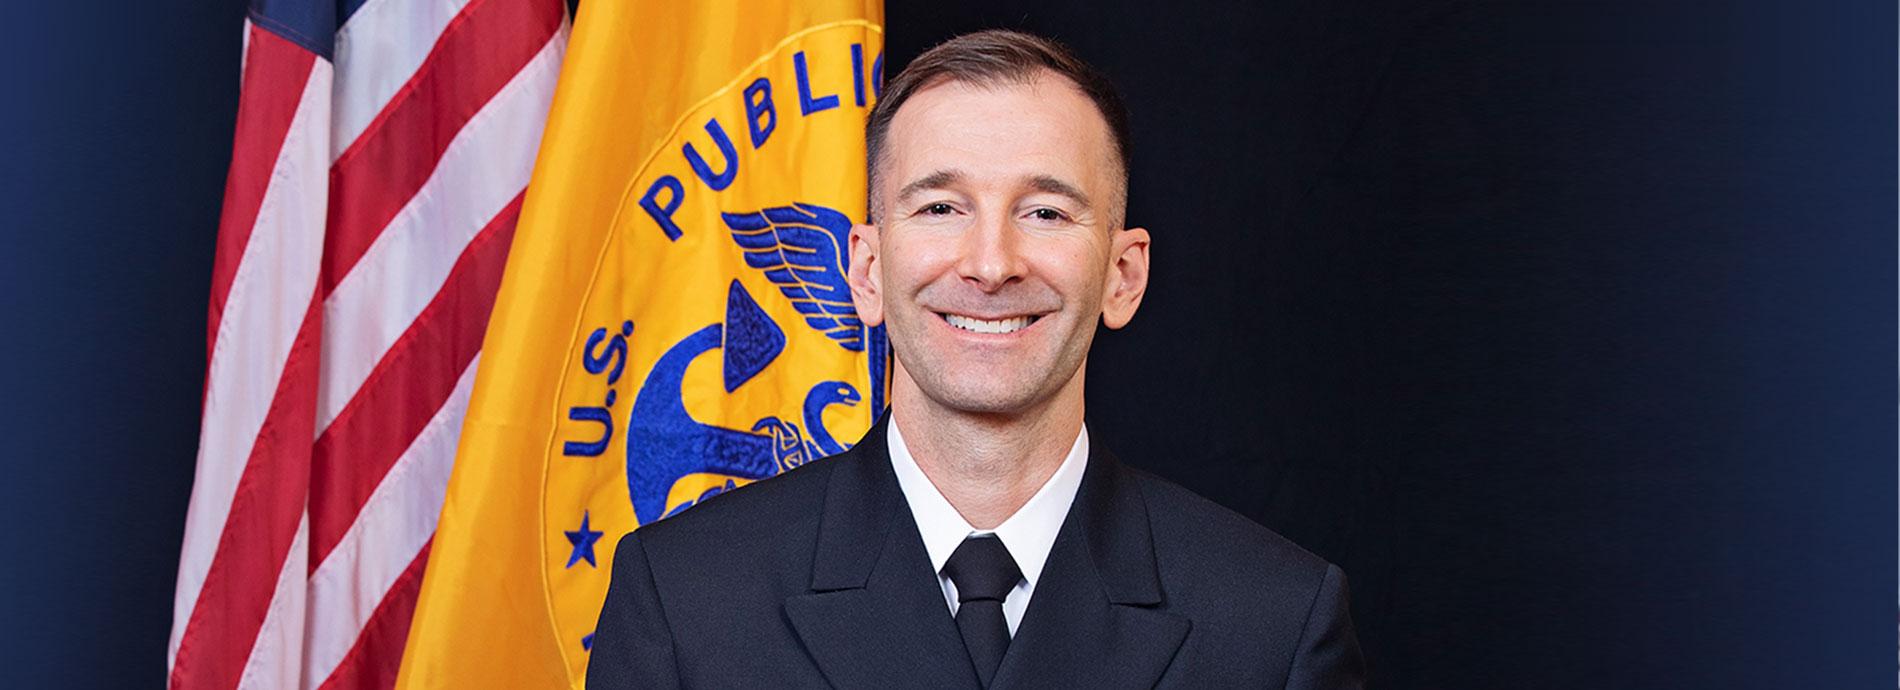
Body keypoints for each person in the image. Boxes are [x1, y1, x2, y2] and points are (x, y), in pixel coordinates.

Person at [587, 29, 1365, 689]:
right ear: (866, 271)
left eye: (1045, 212)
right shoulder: (683, 603)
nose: (991, 264)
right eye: (940, 208)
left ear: (1122, 277)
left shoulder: (1275, 623)